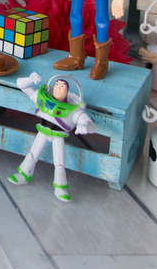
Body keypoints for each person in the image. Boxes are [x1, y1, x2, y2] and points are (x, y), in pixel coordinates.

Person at [6, 72, 94, 202]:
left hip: (59, 135)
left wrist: (84, 125)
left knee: (59, 162)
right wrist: (30, 79)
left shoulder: (73, 110)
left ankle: (60, 187)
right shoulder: (44, 98)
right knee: (32, 153)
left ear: (67, 91)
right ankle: (24, 174)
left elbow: (87, 122)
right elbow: (21, 85)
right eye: (57, 84)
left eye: (62, 86)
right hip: (43, 130)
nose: (58, 87)